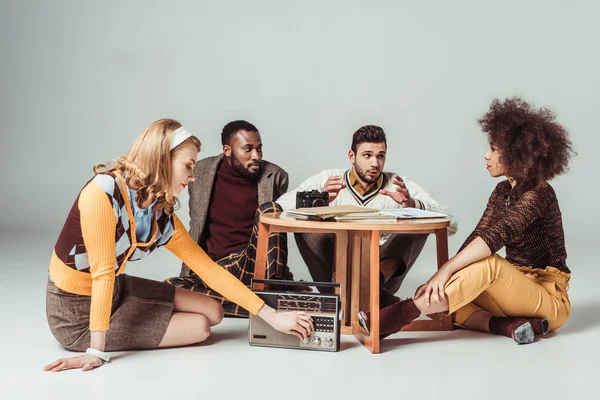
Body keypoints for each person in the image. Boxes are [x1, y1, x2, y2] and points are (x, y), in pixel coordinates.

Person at [44, 119, 313, 373]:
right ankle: (102, 335)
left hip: (116, 288)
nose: (193, 176)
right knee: (200, 328)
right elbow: (102, 273)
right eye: (188, 166)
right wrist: (96, 351)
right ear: (163, 161)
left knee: (214, 311)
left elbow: (208, 269)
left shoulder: (161, 213)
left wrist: (273, 317)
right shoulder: (102, 193)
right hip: (75, 312)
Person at [358, 97, 575, 344]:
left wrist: (445, 270)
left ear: (516, 153)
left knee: (486, 266)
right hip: (512, 293)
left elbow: (496, 236)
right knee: (444, 299)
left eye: (493, 148)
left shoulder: (539, 192)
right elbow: (477, 235)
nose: (486, 155)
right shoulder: (502, 191)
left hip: (548, 297)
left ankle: (397, 315)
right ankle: (508, 325)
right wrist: (442, 279)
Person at [277, 125, 457, 306]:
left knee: (419, 220)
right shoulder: (328, 178)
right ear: (351, 156)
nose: (375, 164)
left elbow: (451, 223)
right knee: (306, 220)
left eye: (380, 156)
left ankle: (371, 286)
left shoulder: (397, 184)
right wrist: (318, 197)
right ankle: (369, 296)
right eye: (367, 155)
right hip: (334, 277)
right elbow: (277, 208)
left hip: (382, 271)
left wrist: (413, 205)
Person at [165, 120, 300, 317]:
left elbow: (275, 241)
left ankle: (261, 297)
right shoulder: (200, 172)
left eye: (259, 149)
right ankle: (264, 306)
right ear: (227, 150)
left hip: (250, 263)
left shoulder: (275, 176)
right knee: (170, 288)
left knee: (270, 210)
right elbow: (197, 222)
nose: (256, 156)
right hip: (214, 268)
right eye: (248, 149)